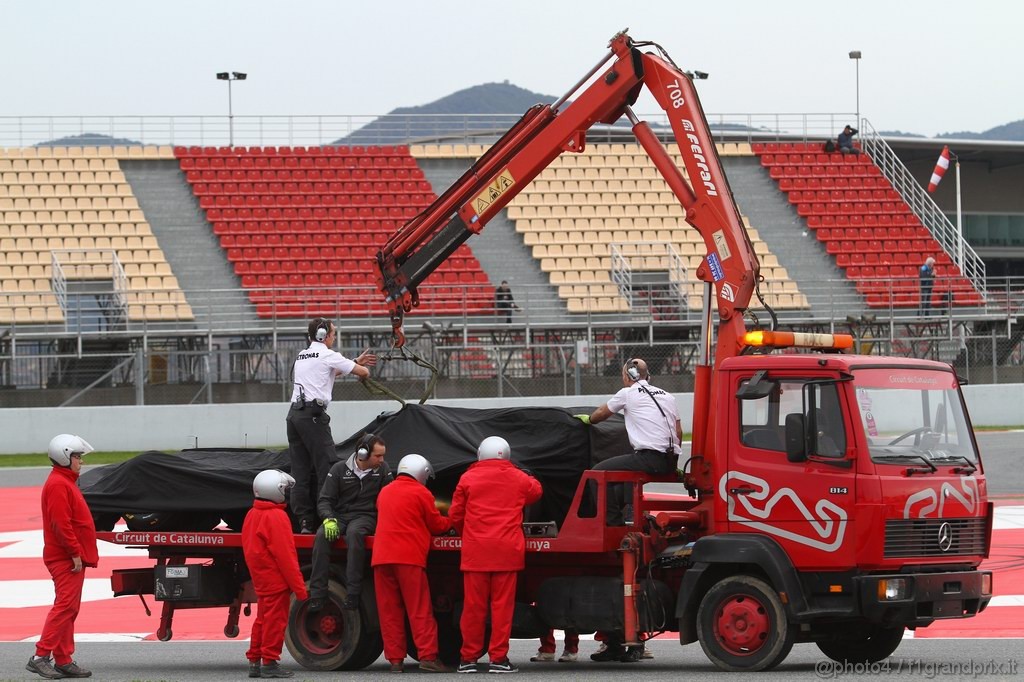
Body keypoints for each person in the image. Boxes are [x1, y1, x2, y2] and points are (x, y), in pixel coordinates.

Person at [449, 436, 542, 674]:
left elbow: (456, 514)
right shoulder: (519, 478)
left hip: (476, 552)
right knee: (502, 608)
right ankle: (498, 659)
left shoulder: (467, 478)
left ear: (480, 454)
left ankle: (468, 658)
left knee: (473, 608)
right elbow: (536, 492)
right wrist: (525, 474)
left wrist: (467, 534)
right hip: (507, 552)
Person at [288, 316, 377, 534]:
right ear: (323, 335)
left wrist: (353, 361)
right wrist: (359, 367)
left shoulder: (302, 355)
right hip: (313, 417)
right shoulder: (328, 355)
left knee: (299, 471)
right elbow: (363, 373)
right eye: (333, 333)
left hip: (294, 416)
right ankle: (326, 518)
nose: (334, 337)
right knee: (326, 468)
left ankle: (305, 522)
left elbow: (326, 371)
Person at [372, 454, 453, 673]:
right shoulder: (421, 493)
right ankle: (428, 657)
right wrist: (452, 518)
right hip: (408, 558)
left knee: (389, 611)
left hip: (381, 558)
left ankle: (396, 661)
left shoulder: (385, 491)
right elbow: (437, 525)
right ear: (422, 473)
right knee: (419, 610)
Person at [576, 358, 682, 524]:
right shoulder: (668, 396)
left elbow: (602, 413)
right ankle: (632, 510)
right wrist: (673, 464)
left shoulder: (627, 393)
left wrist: (590, 419)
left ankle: (614, 523)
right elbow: (678, 431)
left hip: (649, 458)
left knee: (595, 474)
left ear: (628, 376)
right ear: (648, 376)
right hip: (668, 461)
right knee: (629, 461)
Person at [27, 434, 97, 680]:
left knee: (69, 608)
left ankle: (64, 659)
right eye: (77, 456)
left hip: (69, 556)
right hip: (65, 557)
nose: (81, 461)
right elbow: (61, 523)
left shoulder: (65, 481)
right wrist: (74, 553)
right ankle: (40, 657)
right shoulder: (58, 484)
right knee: (65, 606)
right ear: (65, 457)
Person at [307, 433, 392, 612]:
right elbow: (324, 500)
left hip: (366, 516)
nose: (382, 459)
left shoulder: (383, 470)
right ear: (363, 454)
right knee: (322, 535)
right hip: (339, 516)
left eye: (382, 455)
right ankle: (317, 595)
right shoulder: (338, 469)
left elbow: (389, 499)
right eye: (378, 455)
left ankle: (353, 594)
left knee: (355, 534)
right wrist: (328, 518)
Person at [242, 470, 309, 679]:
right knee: (275, 622)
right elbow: (286, 557)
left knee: (262, 620)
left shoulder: (253, 513)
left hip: (261, 577)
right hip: (275, 579)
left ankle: (255, 660)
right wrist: (300, 589)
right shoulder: (276, 516)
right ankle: (269, 662)